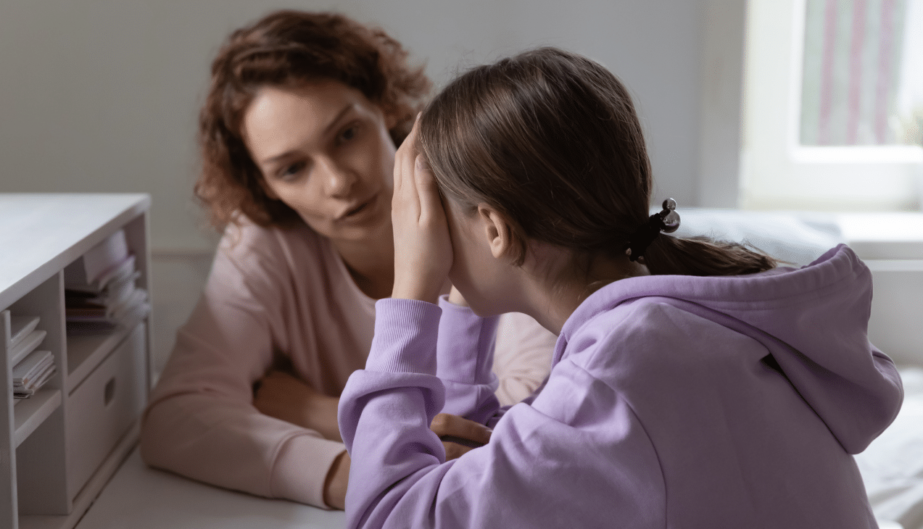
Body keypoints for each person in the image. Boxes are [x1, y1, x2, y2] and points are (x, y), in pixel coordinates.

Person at [337, 47, 904, 528]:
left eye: (430, 213)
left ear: (493, 227)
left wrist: (410, 292)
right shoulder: (681, 331)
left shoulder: (612, 376)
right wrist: (461, 309)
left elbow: (386, 514)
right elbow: (461, 470)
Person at [139, 10, 556, 511]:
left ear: (383, 106)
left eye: (346, 134)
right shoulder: (265, 244)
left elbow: (530, 415)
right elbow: (175, 417)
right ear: (265, 186)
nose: (337, 181)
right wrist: (351, 473)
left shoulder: (479, 204)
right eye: (293, 169)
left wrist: (316, 410)